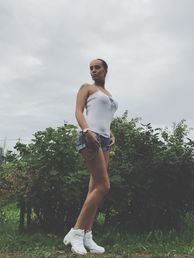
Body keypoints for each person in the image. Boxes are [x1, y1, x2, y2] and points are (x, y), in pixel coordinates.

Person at [63, 59, 118, 255]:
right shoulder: (86, 88)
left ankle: (87, 234)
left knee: (95, 189)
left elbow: (105, 118)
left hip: (104, 141)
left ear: (105, 70)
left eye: (97, 67)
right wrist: (86, 130)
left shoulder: (109, 95)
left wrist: (111, 134)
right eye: (91, 68)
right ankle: (76, 232)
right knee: (104, 186)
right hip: (90, 138)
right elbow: (78, 111)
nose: (93, 71)